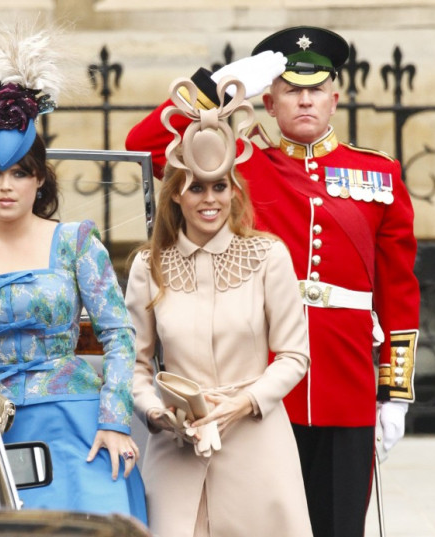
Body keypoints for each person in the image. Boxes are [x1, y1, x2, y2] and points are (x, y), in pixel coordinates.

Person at [126, 25, 420, 537]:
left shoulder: (379, 176)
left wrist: (394, 394)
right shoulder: (241, 162)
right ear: (270, 98)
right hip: (257, 384)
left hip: (345, 383)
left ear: (334, 96)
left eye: (315, 89)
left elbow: (398, 290)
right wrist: (217, 83)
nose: (304, 100)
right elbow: (143, 145)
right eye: (290, 89)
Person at [0, 28, 146, 523]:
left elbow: (118, 336)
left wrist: (114, 422)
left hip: (75, 424)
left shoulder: (74, 243)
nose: (6, 186)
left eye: (20, 173)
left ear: (40, 178)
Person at [125, 74, 312, 536]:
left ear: (235, 190)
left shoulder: (268, 256)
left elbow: (294, 355)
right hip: (176, 452)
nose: (210, 200)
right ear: (175, 194)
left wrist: (245, 402)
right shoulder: (149, 267)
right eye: (196, 188)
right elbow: (134, 365)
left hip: (258, 443)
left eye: (220, 187)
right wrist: (155, 413)